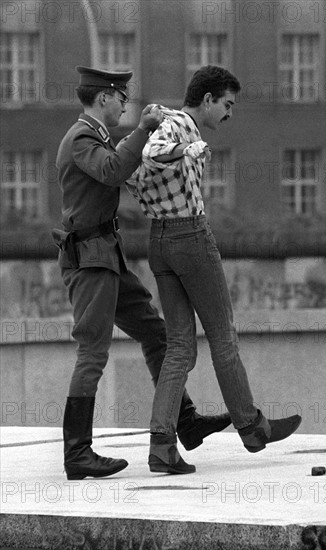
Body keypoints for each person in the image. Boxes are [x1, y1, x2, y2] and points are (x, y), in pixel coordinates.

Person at [52, 65, 231, 481]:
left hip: (106, 255)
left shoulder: (96, 136)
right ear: (103, 98)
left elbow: (126, 169)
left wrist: (157, 143)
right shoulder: (81, 137)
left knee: (156, 334)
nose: (124, 104)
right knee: (93, 352)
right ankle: (77, 453)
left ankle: (184, 421)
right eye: (121, 97)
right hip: (89, 259)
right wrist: (144, 129)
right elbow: (113, 170)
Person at [125, 65, 302, 475]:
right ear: (207, 100)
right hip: (190, 237)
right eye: (227, 104)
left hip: (160, 241)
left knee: (180, 347)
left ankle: (162, 444)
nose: (229, 113)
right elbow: (152, 154)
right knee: (223, 336)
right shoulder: (181, 128)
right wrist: (188, 151)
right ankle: (252, 426)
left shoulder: (160, 123)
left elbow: (136, 173)